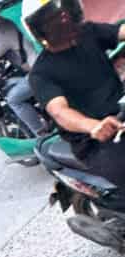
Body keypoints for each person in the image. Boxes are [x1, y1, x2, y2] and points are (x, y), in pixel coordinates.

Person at [25, 0, 125, 187]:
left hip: (121, 114)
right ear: (41, 30)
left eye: (65, 10)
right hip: (94, 142)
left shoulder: (88, 33)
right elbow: (60, 112)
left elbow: (120, 31)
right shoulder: (41, 74)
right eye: (55, 17)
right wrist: (93, 126)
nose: (65, 17)